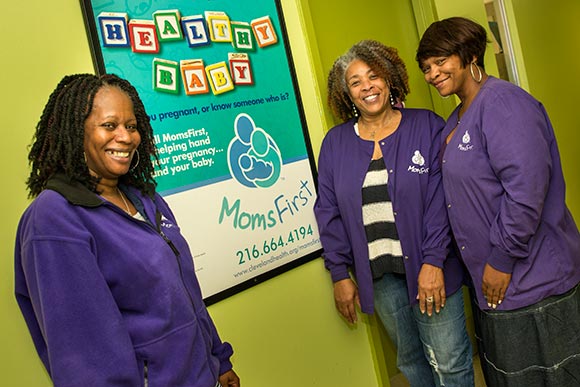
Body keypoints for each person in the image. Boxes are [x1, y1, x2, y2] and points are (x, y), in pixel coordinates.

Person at [14, 73, 240, 387]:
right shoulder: (53, 218)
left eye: (131, 126)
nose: (125, 137)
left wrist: (218, 360)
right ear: (75, 131)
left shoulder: (145, 199)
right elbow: (82, 357)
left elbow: (184, 293)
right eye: (109, 125)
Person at [416, 16, 580, 387]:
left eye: (441, 61)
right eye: (426, 67)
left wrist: (501, 259)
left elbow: (526, 192)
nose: (432, 73)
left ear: (470, 55)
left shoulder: (505, 104)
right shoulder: (456, 119)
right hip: (495, 285)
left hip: (533, 280)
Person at [314, 40, 474, 387]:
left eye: (374, 76)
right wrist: (339, 274)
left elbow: (441, 200)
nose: (367, 86)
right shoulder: (335, 144)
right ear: (347, 93)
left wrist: (433, 262)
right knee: (412, 362)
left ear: (389, 79)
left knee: (449, 361)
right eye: (355, 82)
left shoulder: (427, 126)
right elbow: (328, 212)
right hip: (381, 275)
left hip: (431, 269)